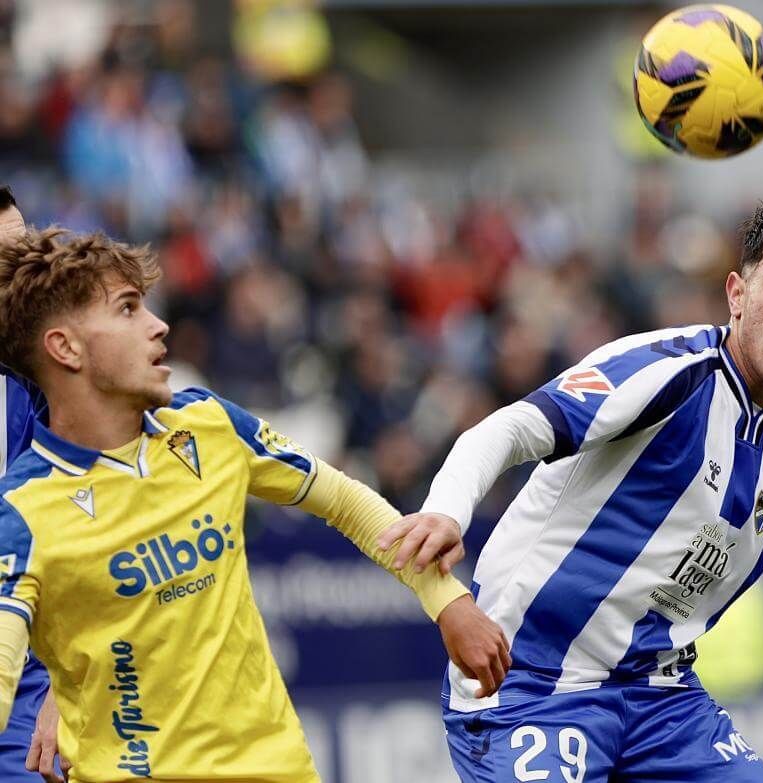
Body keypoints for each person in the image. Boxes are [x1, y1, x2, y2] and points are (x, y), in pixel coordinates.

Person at [383, 201, 763, 781]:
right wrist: (445, 511)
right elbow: (507, 430)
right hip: (528, 685)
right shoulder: (662, 371)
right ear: (737, 294)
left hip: (664, 704)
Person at [0, 226, 511, 782]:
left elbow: (343, 501)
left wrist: (448, 601)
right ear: (65, 347)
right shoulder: (24, 511)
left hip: (280, 771)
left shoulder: (207, 424)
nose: (157, 325)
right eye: (127, 310)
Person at [0, 187, 67, 783]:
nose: (23, 272)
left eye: (24, 248)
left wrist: (65, 691)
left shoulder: (47, 382)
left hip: (28, 672)